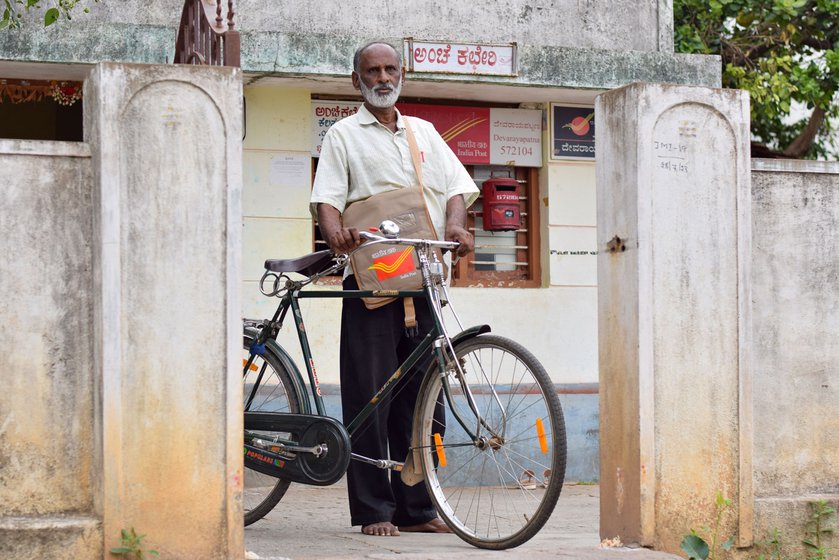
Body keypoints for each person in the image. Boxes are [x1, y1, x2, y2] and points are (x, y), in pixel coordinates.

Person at [310, 41, 479, 537]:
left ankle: (419, 506)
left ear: (401, 74)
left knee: (424, 393)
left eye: (389, 69)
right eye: (372, 70)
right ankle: (374, 511)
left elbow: (455, 189)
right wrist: (334, 232)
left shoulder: (422, 132)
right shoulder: (343, 134)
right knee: (370, 395)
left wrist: (457, 226)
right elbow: (327, 200)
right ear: (356, 80)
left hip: (422, 275)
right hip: (371, 281)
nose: (382, 77)